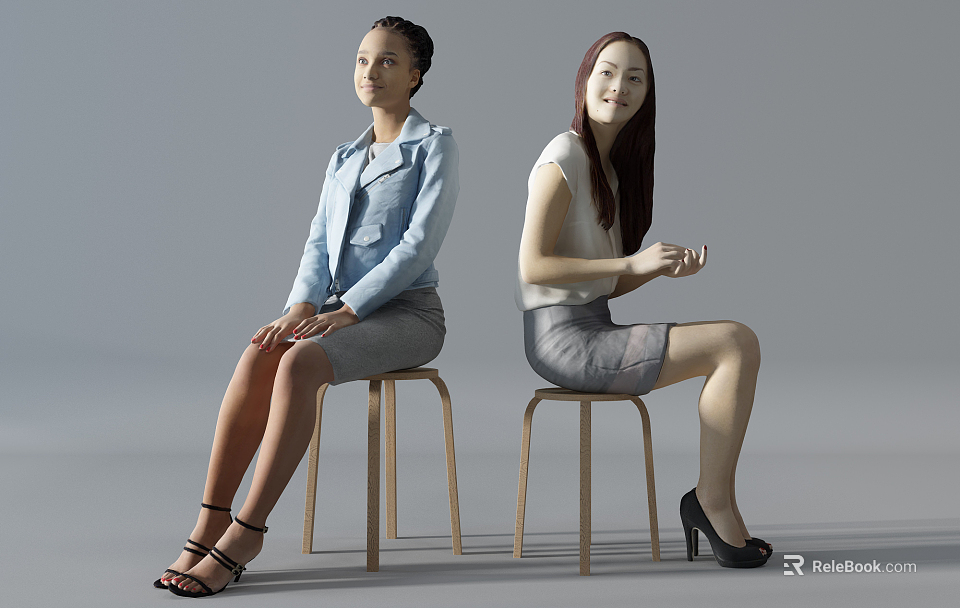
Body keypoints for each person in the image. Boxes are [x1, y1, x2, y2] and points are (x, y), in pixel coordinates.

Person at [157, 16, 458, 597]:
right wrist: (298, 308)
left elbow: (419, 247)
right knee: (261, 350)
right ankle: (208, 523)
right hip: (335, 312)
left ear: (416, 75)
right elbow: (318, 241)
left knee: (299, 365)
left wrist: (348, 311)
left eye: (389, 61)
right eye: (363, 58)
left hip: (409, 315)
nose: (371, 70)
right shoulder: (344, 156)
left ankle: (247, 533)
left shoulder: (434, 145)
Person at [516, 32, 770, 568]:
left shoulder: (609, 169)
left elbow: (602, 285)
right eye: (607, 72)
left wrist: (656, 272)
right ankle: (711, 502)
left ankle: (712, 500)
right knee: (735, 342)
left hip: (593, 327)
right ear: (584, 80)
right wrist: (631, 263)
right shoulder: (563, 153)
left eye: (635, 78)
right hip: (561, 339)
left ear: (648, 93)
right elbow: (532, 267)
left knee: (736, 343)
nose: (619, 87)